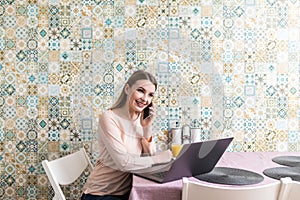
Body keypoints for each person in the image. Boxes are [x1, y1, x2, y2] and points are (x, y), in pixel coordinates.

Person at [81, 70, 172, 200]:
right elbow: (124, 163)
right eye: (140, 91)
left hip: (126, 192)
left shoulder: (140, 119)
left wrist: (147, 128)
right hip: (101, 194)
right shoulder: (109, 118)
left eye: (150, 95)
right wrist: (159, 158)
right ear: (127, 88)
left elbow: (149, 157)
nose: (145, 99)